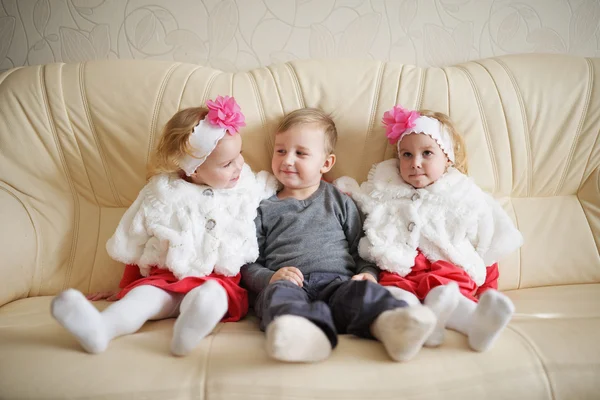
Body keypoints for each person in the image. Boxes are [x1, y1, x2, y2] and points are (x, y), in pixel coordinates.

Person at [51, 96, 278, 356]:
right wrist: (125, 288)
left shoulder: (247, 185)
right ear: (194, 171)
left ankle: (189, 331)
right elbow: (135, 240)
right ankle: (101, 329)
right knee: (142, 299)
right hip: (165, 279)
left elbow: (278, 184)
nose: (239, 165)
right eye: (227, 164)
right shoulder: (162, 192)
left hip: (219, 281)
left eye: (240, 155)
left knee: (209, 297)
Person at [241, 108, 456, 364]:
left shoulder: (339, 201)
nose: (287, 160)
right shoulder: (263, 208)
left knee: (363, 293)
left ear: (326, 163)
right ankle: (305, 335)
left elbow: (362, 248)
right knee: (276, 297)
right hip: (290, 284)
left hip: (339, 283)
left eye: (300, 153)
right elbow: (247, 262)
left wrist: (369, 273)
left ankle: (392, 326)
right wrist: (269, 277)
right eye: (281, 151)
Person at [335, 105, 523, 352]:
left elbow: (487, 243)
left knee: (447, 293)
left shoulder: (464, 194)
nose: (416, 163)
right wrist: (347, 194)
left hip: (447, 271)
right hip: (399, 272)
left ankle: (476, 323)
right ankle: (413, 327)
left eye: (427, 153)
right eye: (407, 155)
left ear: (447, 159)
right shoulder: (385, 188)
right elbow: (366, 212)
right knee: (395, 297)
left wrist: (487, 291)